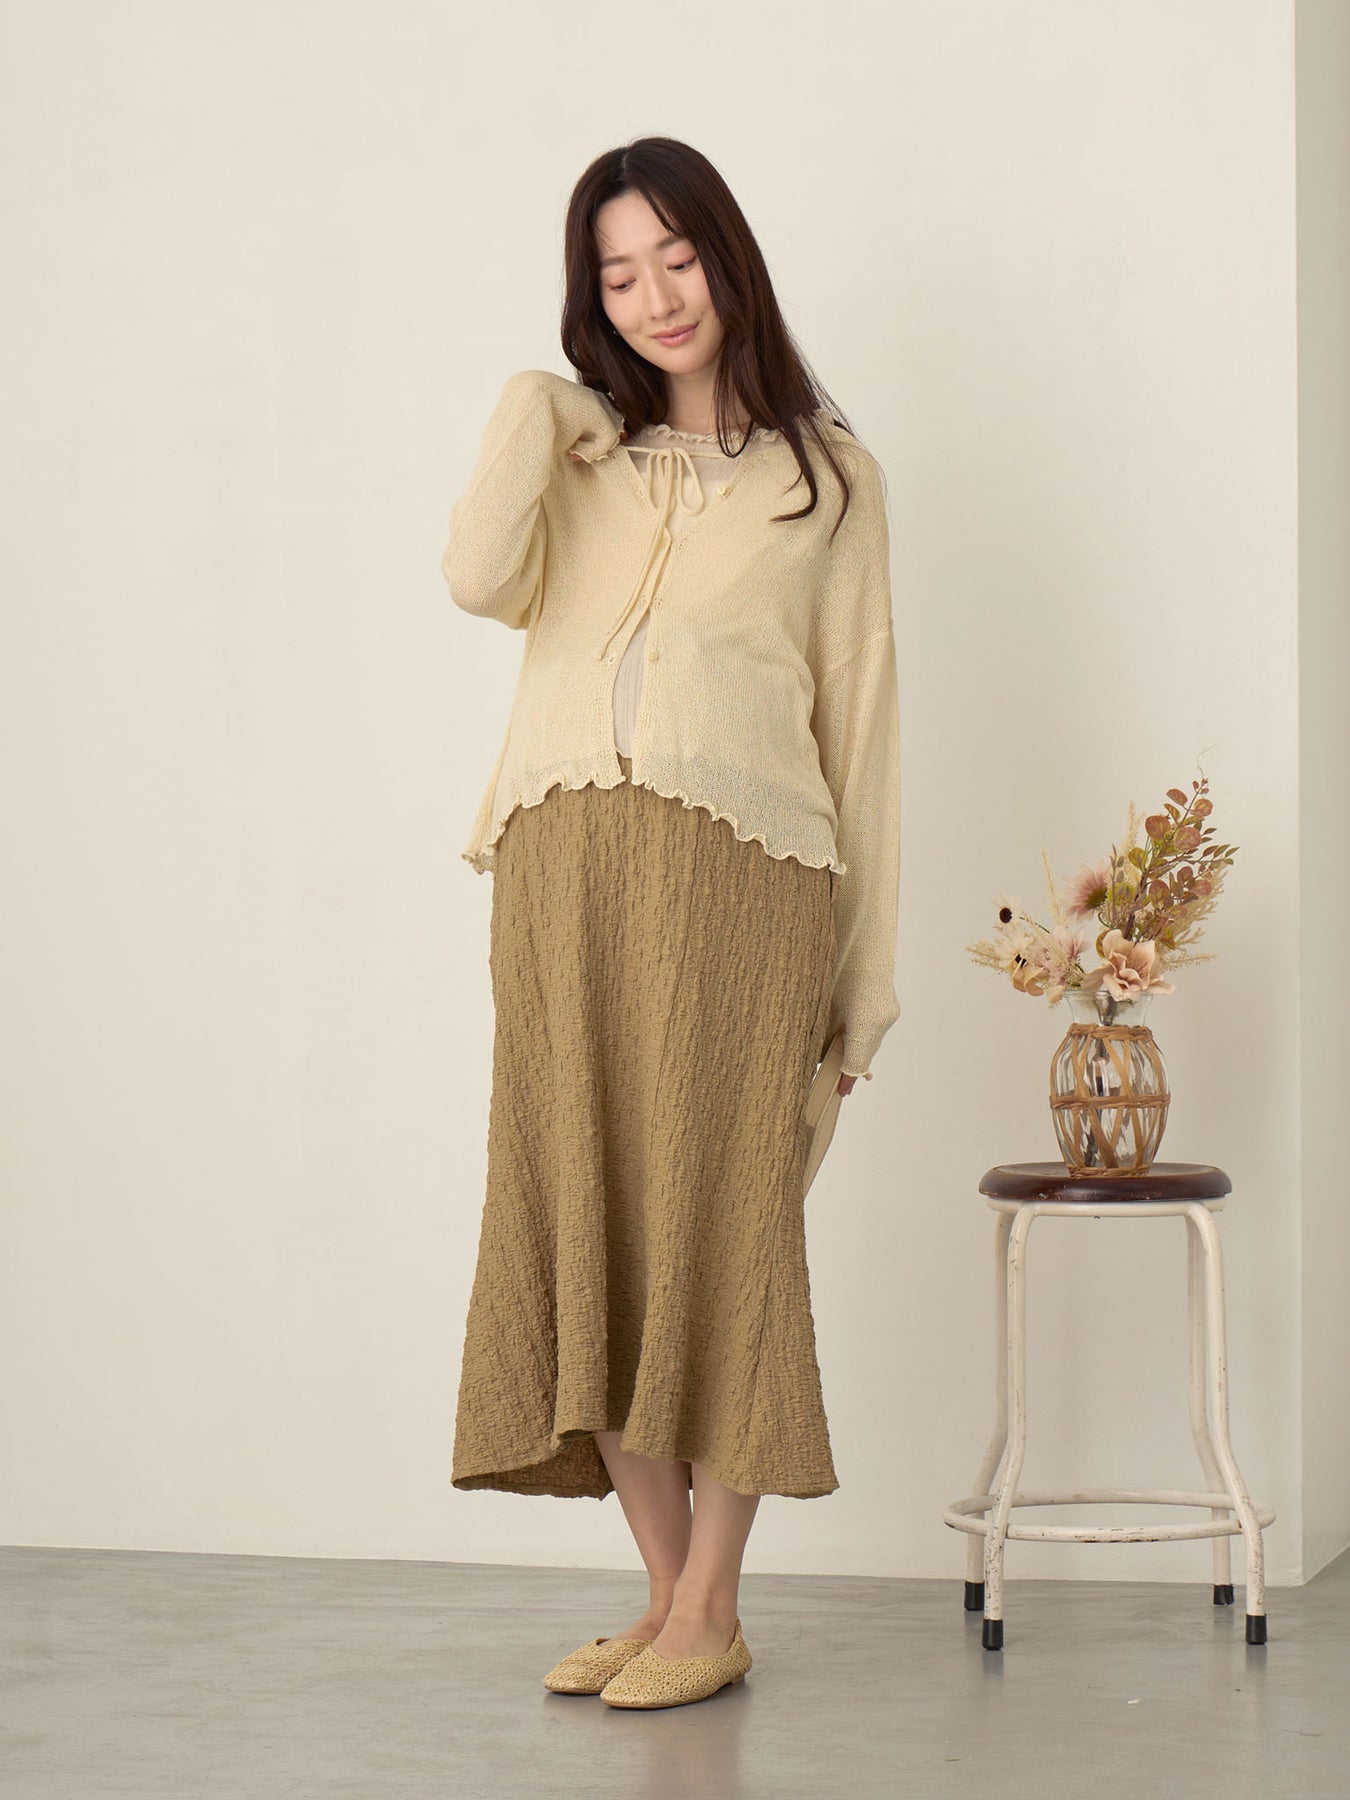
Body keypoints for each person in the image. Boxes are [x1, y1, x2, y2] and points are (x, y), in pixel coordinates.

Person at [441, 136, 901, 1710]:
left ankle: (713, 1604)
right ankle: (663, 1596)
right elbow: (473, 579)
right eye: (617, 272)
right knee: (588, 1218)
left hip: (745, 890)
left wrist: (862, 987)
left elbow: (862, 731)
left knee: (722, 1229)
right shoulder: (572, 460)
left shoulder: (827, 481)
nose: (654, 296)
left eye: (677, 258)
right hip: (561, 876)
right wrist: (533, 404)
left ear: (726, 254)